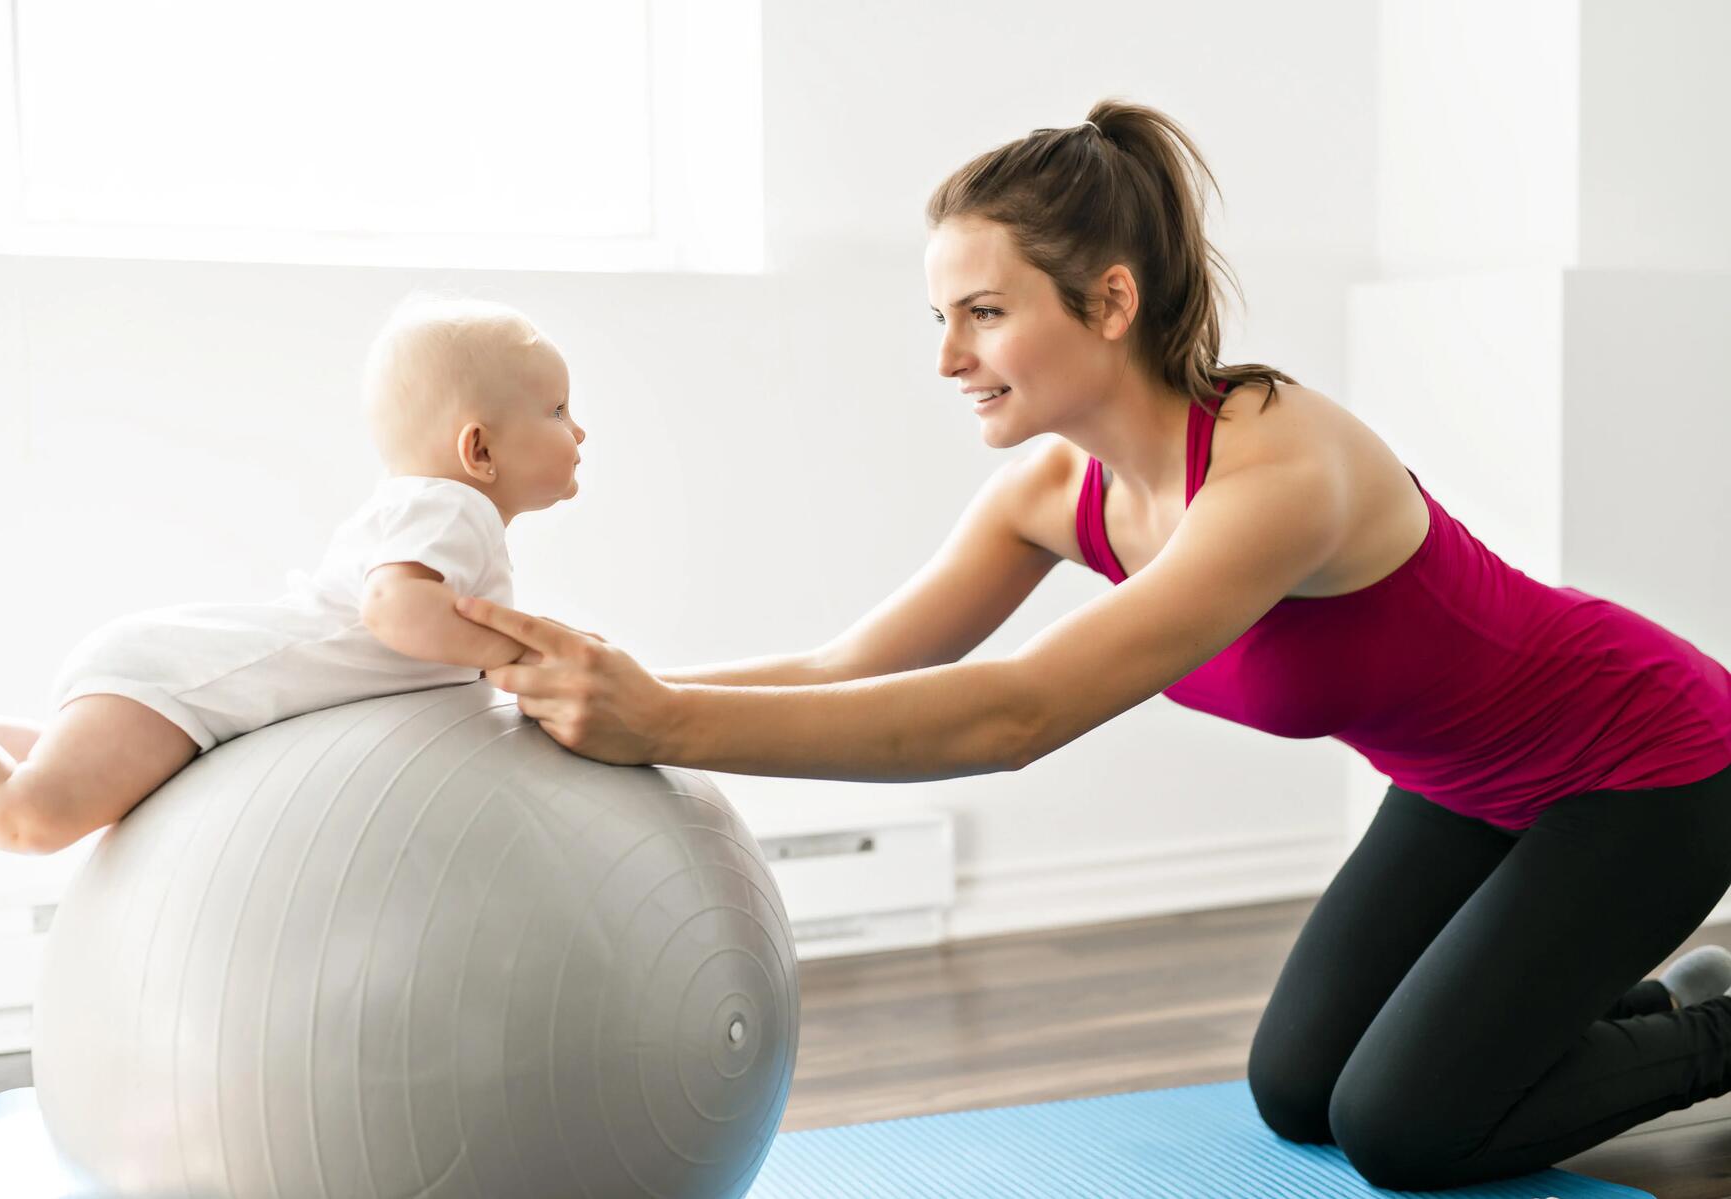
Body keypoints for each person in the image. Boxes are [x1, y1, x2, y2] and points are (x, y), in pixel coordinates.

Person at [452, 100, 1731, 1191]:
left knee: (1403, 1127)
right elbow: (854, 664)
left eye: (985, 312)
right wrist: (599, 682)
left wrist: (664, 725)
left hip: (1646, 766)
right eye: (940, 316)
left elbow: (1013, 715)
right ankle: (1597, 1001)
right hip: (1467, 782)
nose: (949, 356)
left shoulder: (1283, 463)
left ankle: (1716, 1028)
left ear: (1111, 299)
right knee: (1299, 1090)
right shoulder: (1052, 493)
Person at [0, 296, 585, 854]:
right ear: (479, 449)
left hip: (182, 678)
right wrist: (519, 650)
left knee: (44, 761)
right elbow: (393, 608)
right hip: (179, 682)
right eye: (556, 410)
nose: (578, 430)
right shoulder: (452, 507)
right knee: (28, 816)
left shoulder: (428, 509)